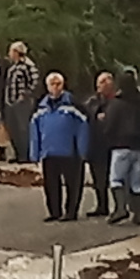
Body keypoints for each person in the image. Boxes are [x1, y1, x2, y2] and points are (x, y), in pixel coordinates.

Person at [27, 72, 90, 222]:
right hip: (49, 152)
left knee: (73, 184)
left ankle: (71, 212)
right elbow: (34, 131)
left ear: (63, 85)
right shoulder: (40, 107)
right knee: (51, 185)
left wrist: (82, 150)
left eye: (58, 84)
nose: (55, 87)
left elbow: (83, 127)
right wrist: (34, 153)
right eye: (52, 84)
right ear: (47, 86)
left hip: (70, 152)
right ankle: (54, 212)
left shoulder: (73, 104)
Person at [96, 70, 140, 226]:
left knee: (116, 179)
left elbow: (109, 126)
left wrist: (108, 136)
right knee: (137, 182)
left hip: (121, 146)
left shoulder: (116, 104)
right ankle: (139, 213)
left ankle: (120, 209)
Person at [0, 41, 43, 186]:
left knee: (23, 128)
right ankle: (18, 154)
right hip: (11, 102)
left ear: (17, 52)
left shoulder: (28, 65)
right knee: (14, 128)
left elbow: (35, 82)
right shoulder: (13, 67)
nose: (9, 54)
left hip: (22, 103)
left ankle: (27, 155)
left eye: (11, 51)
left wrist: (25, 95)